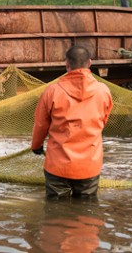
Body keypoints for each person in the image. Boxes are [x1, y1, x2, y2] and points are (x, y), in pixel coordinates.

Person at [31, 45, 113, 198]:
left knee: (55, 210)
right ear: (89, 63)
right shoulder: (103, 91)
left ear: (67, 64)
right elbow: (103, 121)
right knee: (87, 212)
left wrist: (36, 146)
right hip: (89, 165)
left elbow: (41, 125)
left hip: (58, 165)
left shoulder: (52, 91)